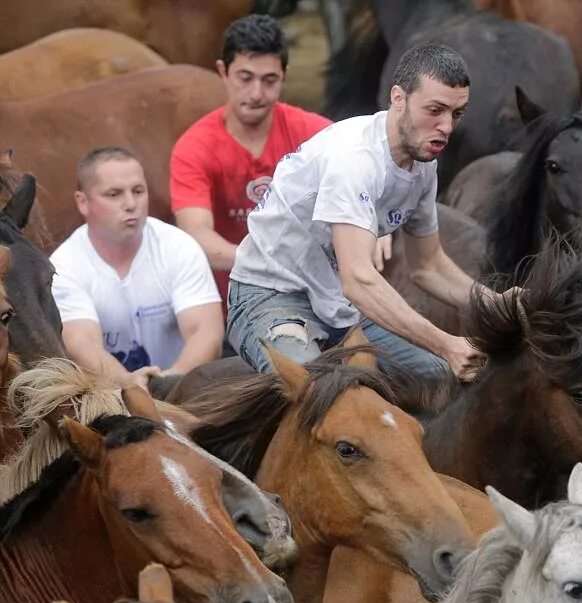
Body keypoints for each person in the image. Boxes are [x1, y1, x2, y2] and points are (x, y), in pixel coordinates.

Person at [228, 43, 498, 382]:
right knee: (316, 390)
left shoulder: (423, 163)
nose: (446, 126)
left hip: (336, 303)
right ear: (398, 98)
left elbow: (427, 266)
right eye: (435, 110)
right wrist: (446, 344)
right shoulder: (354, 159)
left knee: (442, 381)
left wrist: (495, 302)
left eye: (456, 114)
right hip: (270, 296)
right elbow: (357, 280)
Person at [170, 14, 339, 304]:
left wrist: (374, 224)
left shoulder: (316, 134)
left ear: (284, 75)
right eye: (245, 78)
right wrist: (268, 267)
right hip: (228, 299)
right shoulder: (194, 148)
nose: (256, 93)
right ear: (223, 72)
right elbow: (196, 233)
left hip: (312, 296)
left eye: (269, 80)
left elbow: (364, 169)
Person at [52, 147, 223, 390]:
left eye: (138, 191)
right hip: (108, 398)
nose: (131, 204)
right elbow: (82, 344)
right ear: (83, 202)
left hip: (182, 390)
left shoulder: (178, 246)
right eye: (114, 194)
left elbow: (206, 331)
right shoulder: (64, 265)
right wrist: (132, 387)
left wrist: (169, 383)